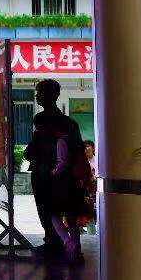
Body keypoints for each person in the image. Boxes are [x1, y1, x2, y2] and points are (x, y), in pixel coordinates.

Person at [24, 80, 90, 264]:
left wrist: (32, 154)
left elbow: (34, 149)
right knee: (66, 213)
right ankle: (67, 246)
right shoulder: (70, 123)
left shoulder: (43, 122)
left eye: (39, 93)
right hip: (64, 176)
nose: (37, 96)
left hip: (47, 174)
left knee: (49, 211)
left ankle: (56, 243)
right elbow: (78, 150)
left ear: (50, 95)